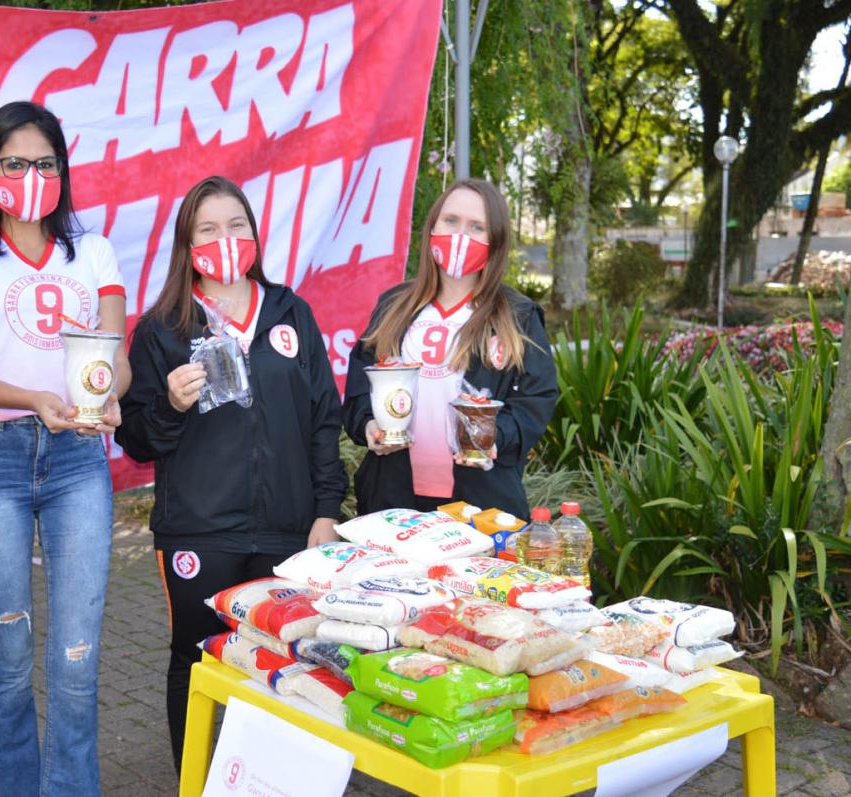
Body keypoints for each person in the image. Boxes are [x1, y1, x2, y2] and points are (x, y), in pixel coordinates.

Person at [116, 175, 347, 771]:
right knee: (193, 661)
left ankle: (269, 781)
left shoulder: (290, 312)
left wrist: (326, 511)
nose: (226, 239)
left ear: (254, 233)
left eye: (236, 225)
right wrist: (169, 403)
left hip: (289, 532)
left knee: (288, 665)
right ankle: (194, 779)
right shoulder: (163, 328)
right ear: (186, 245)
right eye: (208, 230)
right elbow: (135, 436)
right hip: (199, 534)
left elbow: (324, 419)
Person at [0, 100, 128, 797]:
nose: (31, 174)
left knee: (77, 657)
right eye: (15, 162)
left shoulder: (93, 250)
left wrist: (107, 392)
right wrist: (35, 400)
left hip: (78, 460)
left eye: (45, 163)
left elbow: (116, 357)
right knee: (7, 658)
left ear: (62, 172)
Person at [343, 177, 557, 518]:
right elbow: (358, 385)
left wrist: (493, 438)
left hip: (481, 504)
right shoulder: (394, 306)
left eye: (477, 227)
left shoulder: (516, 315)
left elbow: (537, 398)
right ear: (432, 228)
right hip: (392, 499)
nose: (461, 235)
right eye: (451, 221)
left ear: (495, 240)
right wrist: (368, 425)